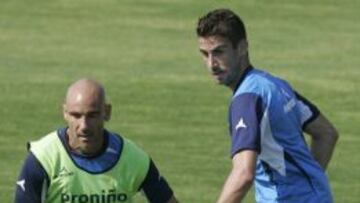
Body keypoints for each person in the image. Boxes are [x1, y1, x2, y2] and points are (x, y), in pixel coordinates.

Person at [196, 8, 339, 203]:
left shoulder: (246, 99)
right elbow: (327, 133)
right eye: (205, 54)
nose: (212, 64)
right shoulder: (274, 85)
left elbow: (243, 173)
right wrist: (306, 187)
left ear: (242, 47)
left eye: (219, 52)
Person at [15, 79, 179, 203]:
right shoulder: (43, 159)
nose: (84, 126)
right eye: (76, 115)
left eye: (92, 115)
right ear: (65, 113)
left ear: (107, 112)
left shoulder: (133, 158)